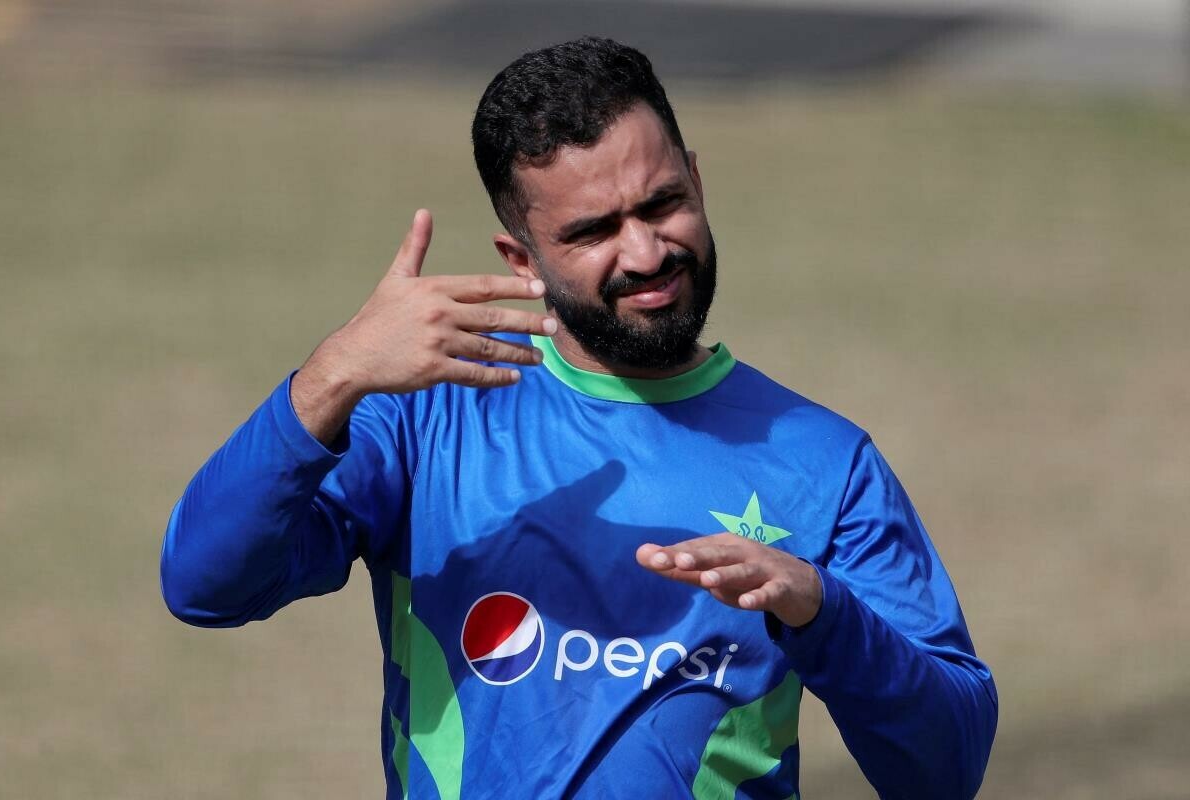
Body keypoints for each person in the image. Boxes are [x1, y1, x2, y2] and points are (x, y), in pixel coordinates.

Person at [162, 37, 997, 800]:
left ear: (698, 183)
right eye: (594, 231)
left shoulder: (824, 462)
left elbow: (947, 767)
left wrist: (824, 610)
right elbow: (205, 584)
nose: (644, 253)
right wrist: (332, 375)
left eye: (662, 204)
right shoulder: (427, 421)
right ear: (521, 260)